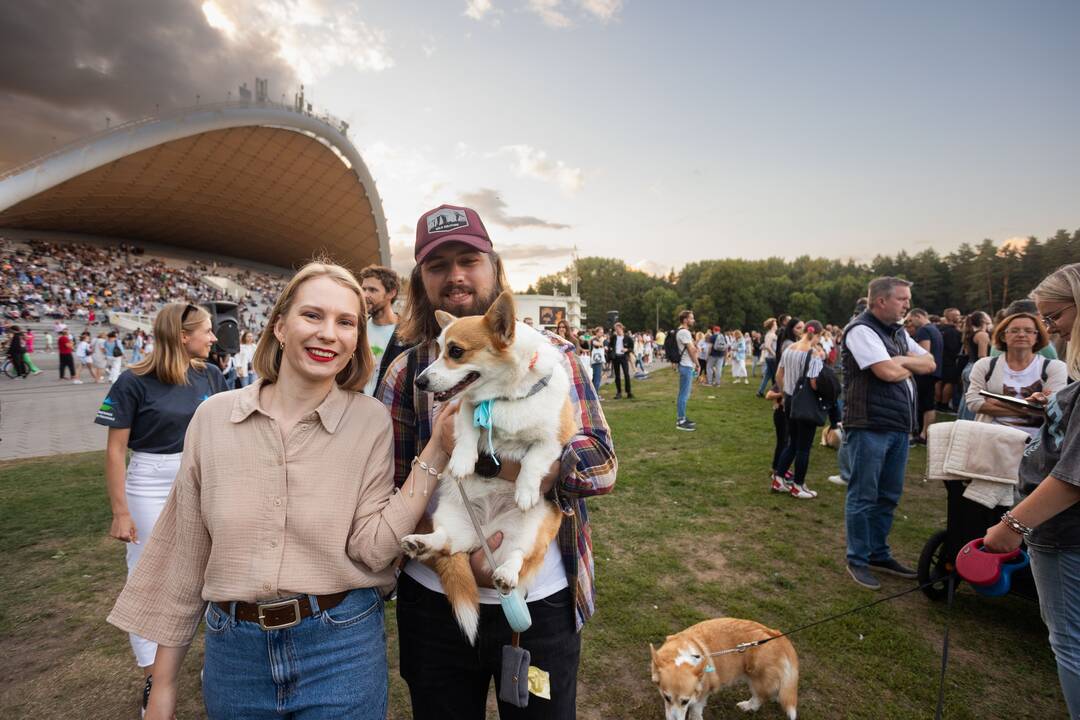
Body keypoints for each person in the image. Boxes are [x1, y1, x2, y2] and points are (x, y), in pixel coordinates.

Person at [109, 262, 436, 720]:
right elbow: (184, 554)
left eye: (346, 323)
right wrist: (161, 687)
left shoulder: (370, 421)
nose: (329, 333)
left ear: (356, 342)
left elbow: (373, 548)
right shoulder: (213, 419)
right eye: (313, 316)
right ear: (280, 326)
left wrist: (437, 452)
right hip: (234, 654)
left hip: (341, 646)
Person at [377, 204, 617, 720]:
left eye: (468, 259)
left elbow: (601, 463)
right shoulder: (408, 372)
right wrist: (450, 551)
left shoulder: (556, 358)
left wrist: (521, 463)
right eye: (438, 266)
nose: (456, 276)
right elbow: (386, 485)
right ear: (421, 278)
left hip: (540, 599)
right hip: (436, 596)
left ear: (494, 266)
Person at [96, 303, 228, 710]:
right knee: (151, 576)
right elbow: (116, 450)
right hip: (150, 482)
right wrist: (121, 511)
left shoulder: (211, 374)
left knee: (215, 566)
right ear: (181, 335)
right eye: (206, 331)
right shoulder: (132, 380)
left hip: (204, 473)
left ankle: (219, 662)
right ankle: (154, 677)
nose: (213, 338)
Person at [982, 262, 1080, 715]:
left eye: (1054, 316)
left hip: (1067, 537)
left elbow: (1072, 478)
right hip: (1062, 534)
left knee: (1070, 643)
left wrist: (1012, 524)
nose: (1050, 329)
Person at [840, 277, 936, 590]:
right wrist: (906, 364)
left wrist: (901, 360)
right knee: (864, 494)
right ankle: (857, 558)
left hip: (897, 426)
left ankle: (878, 553)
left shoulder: (895, 332)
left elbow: (930, 363)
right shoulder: (861, 330)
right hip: (869, 424)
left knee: (888, 496)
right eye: (902, 299)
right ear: (881, 301)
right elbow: (886, 372)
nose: (907, 305)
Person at [965, 312, 1069, 438]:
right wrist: (1031, 410)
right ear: (1003, 336)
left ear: (1037, 336)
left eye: (1029, 331)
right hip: (991, 441)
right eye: (1014, 330)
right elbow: (973, 403)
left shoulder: (1054, 367)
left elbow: (1053, 408)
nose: (1021, 335)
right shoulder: (985, 365)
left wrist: (996, 402)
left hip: (1036, 445)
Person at [772, 320, 828, 498]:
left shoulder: (789, 349)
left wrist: (784, 392)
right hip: (805, 404)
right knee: (804, 447)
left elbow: (778, 374)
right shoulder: (814, 354)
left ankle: (778, 479)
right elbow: (814, 382)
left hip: (789, 400)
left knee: (792, 443)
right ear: (818, 335)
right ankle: (798, 485)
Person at [359, 264, 407, 396]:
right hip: (357, 404)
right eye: (364, 289)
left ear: (391, 293)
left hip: (389, 409)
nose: (365, 295)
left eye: (373, 290)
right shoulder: (357, 329)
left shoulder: (408, 334)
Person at [906, 309, 943, 444]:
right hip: (934, 370)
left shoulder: (924, 330)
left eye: (911, 319)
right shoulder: (935, 329)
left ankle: (923, 434)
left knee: (925, 403)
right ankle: (925, 433)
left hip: (925, 371)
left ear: (918, 316)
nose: (910, 323)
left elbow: (923, 353)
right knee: (928, 402)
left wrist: (906, 354)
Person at [956, 311, 993, 420]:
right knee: (975, 400)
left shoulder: (970, 334)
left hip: (969, 367)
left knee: (967, 398)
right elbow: (982, 356)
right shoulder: (982, 334)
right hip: (976, 368)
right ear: (983, 320)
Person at [936, 308, 963, 412]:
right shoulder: (953, 331)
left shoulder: (939, 328)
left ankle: (938, 403)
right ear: (951, 317)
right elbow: (953, 348)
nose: (959, 317)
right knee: (950, 382)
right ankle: (944, 404)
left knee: (939, 381)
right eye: (957, 315)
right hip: (950, 360)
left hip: (938, 359)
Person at [675, 310, 698, 431]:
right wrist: (697, 364)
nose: (693, 320)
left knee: (684, 393)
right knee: (684, 394)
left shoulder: (681, 331)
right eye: (691, 318)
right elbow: (692, 350)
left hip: (685, 365)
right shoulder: (684, 332)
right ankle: (681, 420)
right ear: (685, 320)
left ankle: (682, 417)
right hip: (686, 365)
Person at [607, 322, 634, 399]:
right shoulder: (613, 338)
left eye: (618, 329)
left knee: (626, 374)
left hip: (624, 357)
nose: (617, 331)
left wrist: (627, 349)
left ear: (622, 328)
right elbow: (610, 345)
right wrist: (611, 350)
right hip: (616, 357)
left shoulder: (628, 338)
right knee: (617, 376)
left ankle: (629, 392)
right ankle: (619, 393)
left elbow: (632, 348)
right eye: (616, 329)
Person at [757, 318, 778, 397]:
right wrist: (775, 354)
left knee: (767, 376)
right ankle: (775, 391)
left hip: (769, 358)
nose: (777, 325)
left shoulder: (770, 334)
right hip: (771, 358)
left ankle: (760, 391)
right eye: (775, 324)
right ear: (772, 325)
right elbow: (768, 346)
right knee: (776, 375)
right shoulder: (771, 335)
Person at [589, 326, 606, 394]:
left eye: (602, 332)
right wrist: (602, 341)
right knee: (597, 378)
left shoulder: (596, 339)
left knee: (596, 378)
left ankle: (594, 394)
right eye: (600, 332)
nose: (602, 334)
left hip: (598, 360)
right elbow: (599, 344)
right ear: (596, 332)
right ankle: (596, 395)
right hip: (596, 361)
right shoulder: (594, 339)